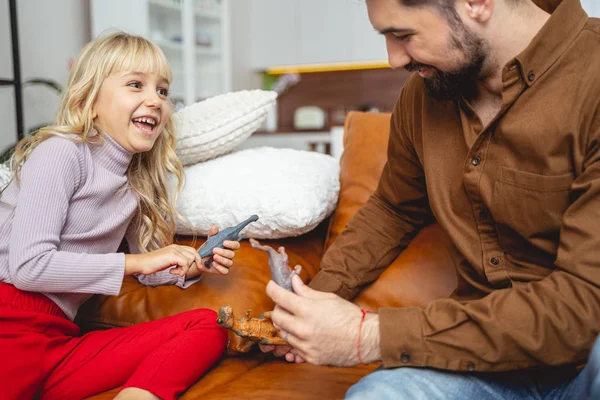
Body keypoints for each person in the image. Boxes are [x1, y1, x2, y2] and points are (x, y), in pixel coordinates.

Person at [261, 0, 600, 398]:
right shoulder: (424, 96)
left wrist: (368, 336)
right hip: (473, 359)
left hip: (585, 362)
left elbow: (582, 306)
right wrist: (311, 306)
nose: (392, 59)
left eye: (403, 35)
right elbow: (392, 210)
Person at [0, 31, 241, 400]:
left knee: (208, 324)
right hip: (10, 327)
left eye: (162, 91)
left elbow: (149, 271)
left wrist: (194, 262)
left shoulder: (133, 184)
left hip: (58, 341)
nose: (155, 100)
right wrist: (140, 261)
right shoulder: (62, 153)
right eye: (135, 85)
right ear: (90, 100)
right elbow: (28, 267)